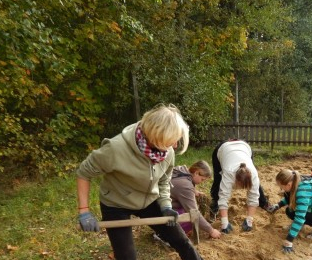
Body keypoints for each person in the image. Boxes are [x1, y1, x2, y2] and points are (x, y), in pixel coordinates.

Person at [76, 104, 203, 260]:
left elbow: (164, 180)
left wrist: (166, 205)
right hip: (116, 203)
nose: (175, 146)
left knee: (182, 242)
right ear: (156, 136)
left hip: (148, 199)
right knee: (126, 256)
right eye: (171, 141)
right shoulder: (115, 149)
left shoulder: (167, 151)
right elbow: (84, 172)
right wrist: (84, 211)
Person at [209, 140, 272, 234]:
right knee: (218, 181)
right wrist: (224, 222)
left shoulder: (253, 174)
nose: (242, 189)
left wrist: (249, 220)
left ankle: (264, 203)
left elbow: (253, 197)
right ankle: (214, 206)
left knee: (256, 187)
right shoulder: (228, 173)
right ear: (235, 180)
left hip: (244, 147)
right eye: (242, 186)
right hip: (223, 149)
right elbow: (223, 197)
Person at [267, 169, 312, 253]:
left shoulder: (303, 191)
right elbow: (289, 197)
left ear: (288, 184)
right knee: (290, 210)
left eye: (281, 187)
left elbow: (300, 217)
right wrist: (278, 205)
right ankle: (301, 226)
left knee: (297, 213)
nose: (281, 189)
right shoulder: (295, 180)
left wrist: (289, 240)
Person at [170, 160, 221, 239]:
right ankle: (166, 236)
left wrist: (194, 191)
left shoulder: (181, 170)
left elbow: (178, 186)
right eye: (202, 179)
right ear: (196, 173)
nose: (202, 182)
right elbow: (194, 214)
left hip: (158, 202)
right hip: (160, 211)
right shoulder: (185, 186)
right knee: (191, 221)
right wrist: (211, 230)